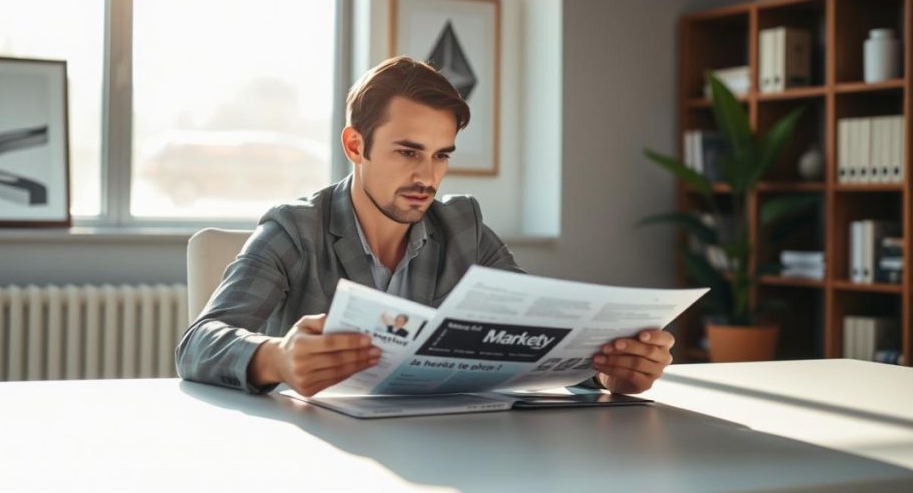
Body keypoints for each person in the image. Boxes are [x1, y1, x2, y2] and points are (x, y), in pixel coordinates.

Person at [176, 56, 675, 397]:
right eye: (408, 152)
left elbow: (540, 337)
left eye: (441, 156)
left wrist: (611, 374)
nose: (427, 177)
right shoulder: (294, 228)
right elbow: (198, 343)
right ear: (355, 146)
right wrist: (277, 358)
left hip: (446, 454)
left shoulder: (465, 227)